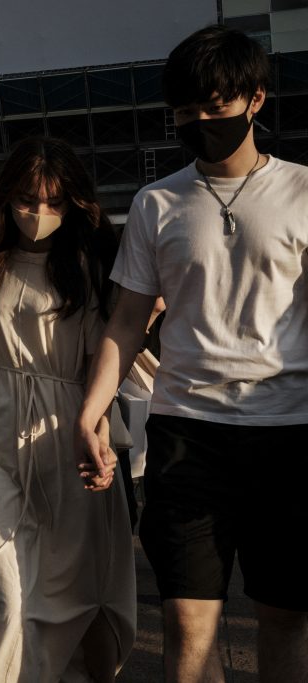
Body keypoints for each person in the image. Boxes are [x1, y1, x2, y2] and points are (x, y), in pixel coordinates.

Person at [75, 26, 308, 683]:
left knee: (285, 614)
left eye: (215, 107)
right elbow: (126, 320)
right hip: (186, 433)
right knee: (187, 619)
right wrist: (90, 412)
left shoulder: (301, 192)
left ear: (255, 99)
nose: (200, 122)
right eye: (185, 112)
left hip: (289, 432)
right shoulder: (157, 202)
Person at [0, 136, 135, 681]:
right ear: (5, 197)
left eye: (53, 202)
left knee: (77, 588)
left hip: (72, 423)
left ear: (73, 203)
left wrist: (97, 431)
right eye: (26, 199)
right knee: (0, 587)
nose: (38, 214)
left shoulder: (94, 261)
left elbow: (108, 357)